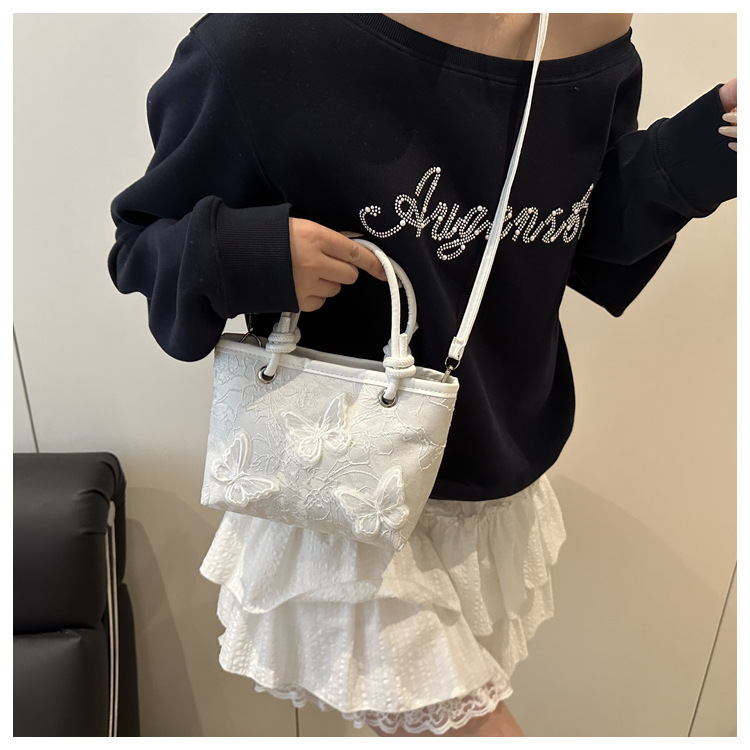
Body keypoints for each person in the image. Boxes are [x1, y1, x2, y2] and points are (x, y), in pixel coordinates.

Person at [108, 13, 737, 737]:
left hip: (491, 478)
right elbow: (140, 244)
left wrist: (702, 146)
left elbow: (572, 240)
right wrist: (254, 255)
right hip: (336, 494)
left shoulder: (583, 26)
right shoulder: (265, 39)